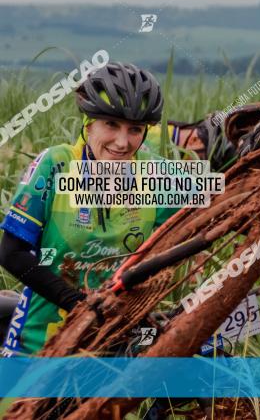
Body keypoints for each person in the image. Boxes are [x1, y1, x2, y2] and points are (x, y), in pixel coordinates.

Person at [0, 62, 178, 356]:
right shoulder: (55, 165)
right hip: (38, 339)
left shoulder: (156, 175)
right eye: (111, 124)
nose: (122, 142)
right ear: (89, 122)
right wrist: (80, 305)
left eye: (135, 129)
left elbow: (226, 194)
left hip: (111, 341)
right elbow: (12, 253)